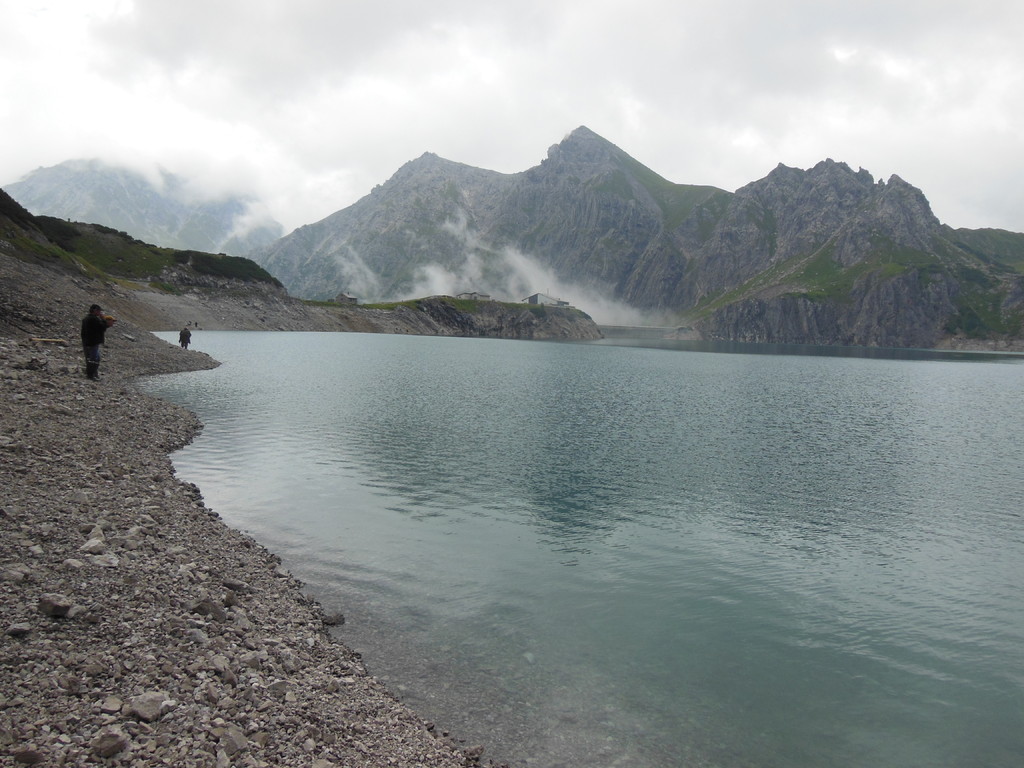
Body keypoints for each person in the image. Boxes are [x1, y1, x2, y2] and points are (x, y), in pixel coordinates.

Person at [80, 304, 109, 380]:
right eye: (99, 311)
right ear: (95, 310)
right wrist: (103, 319)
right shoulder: (94, 319)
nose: (100, 313)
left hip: (88, 341)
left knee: (95, 358)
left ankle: (94, 374)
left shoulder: (86, 319)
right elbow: (102, 327)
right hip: (93, 342)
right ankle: (91, 375)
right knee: (94, 359)